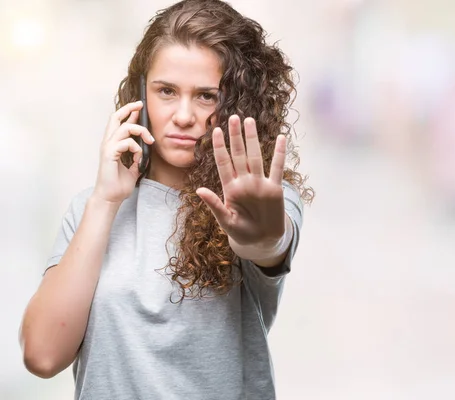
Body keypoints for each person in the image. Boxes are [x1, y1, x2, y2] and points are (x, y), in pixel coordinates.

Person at [18, 0, 313, 398]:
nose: (184, 115)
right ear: (141, 95)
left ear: (236, 104)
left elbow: (265, 242)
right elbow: (42, 356)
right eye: (167, 91)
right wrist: (106, 201)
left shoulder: (260, 200)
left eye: (207, 96)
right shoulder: (92, 209)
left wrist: (260, 235)